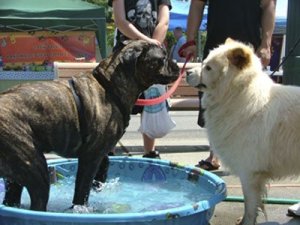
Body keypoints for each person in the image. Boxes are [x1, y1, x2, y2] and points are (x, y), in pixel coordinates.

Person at [181, 0, 276, 170]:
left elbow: (269, 5)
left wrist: (266, 44)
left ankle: (250, 154)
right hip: (216, 47)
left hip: (248, 51)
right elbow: (196, 4)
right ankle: (214, 154)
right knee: (213, 102)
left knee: (250, 104)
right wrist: (190, 40)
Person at [108, 0, 172, 158]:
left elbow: (164, 21)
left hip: (152, 55)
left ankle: (149, 151)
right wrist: (147, 42)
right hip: (125, 54)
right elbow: (120, 21)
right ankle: (108, 150)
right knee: (116, 106)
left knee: (151, 102)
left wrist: (152, 47)